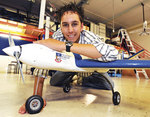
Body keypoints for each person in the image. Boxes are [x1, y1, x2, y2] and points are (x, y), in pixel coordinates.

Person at [19, 2, 118, 114]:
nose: (70, 30)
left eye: (74, 24)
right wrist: (37, 98)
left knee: (109, 86)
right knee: (54, 82)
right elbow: (43, 61)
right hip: (68, 68)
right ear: (60, 27)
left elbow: (112, 53)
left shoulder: (89, 37)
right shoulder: (57, 36)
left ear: (81, 26)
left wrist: (65, 46)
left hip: (91, 70)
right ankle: (74, 76)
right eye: (65, 25)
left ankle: (82, 78)